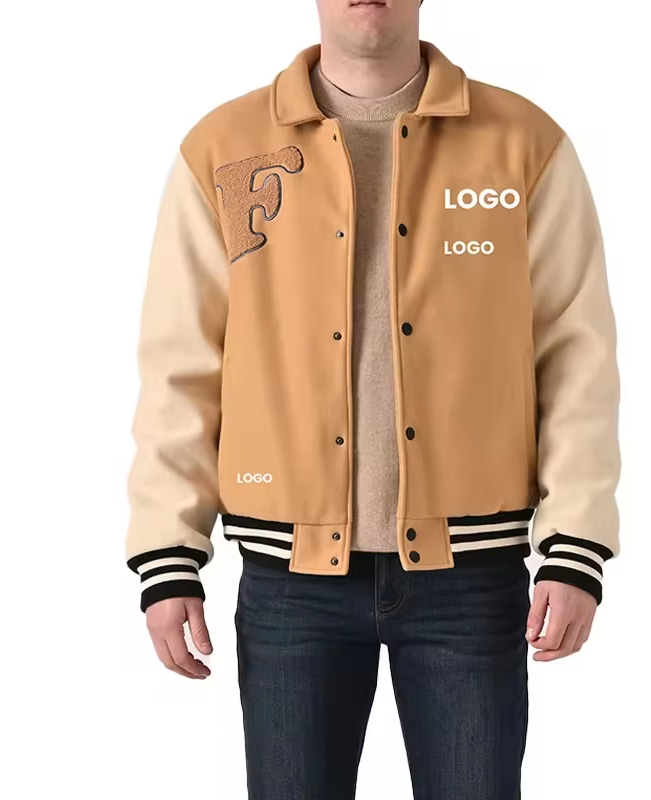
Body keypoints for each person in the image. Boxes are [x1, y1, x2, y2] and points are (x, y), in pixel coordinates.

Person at [124, 0, 621, 797]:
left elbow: (577, 358)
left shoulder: (524, 144)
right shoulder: (223, 149)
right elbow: (181, 366)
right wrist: (167, 554)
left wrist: (576, 544)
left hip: (473, 575)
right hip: (289, 580)